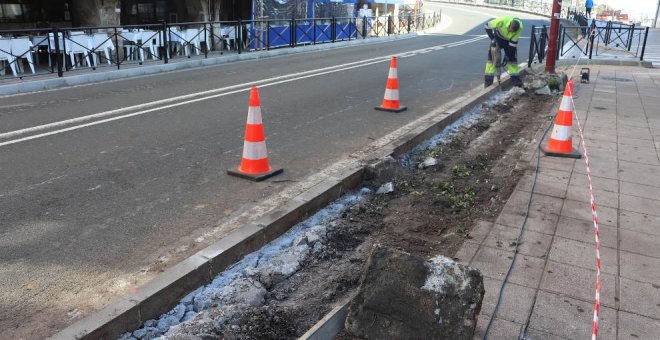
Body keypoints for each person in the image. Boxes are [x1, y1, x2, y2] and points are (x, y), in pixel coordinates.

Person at [484, 16, 523, 88]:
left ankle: (517, 82)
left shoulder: (519, 28)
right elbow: (486, 26)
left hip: (508, 42)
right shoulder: (502, 20)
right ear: (509, 24)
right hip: (498, 38)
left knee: (512, 60)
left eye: (512, 32)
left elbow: (513, 45)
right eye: (510, 30)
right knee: (492, 60)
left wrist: (507, 56)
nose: (510, 32)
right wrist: (492, 38)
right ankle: (488, 82)